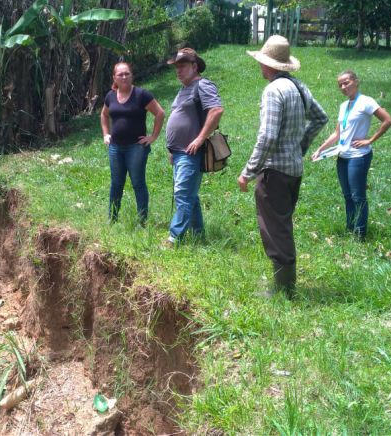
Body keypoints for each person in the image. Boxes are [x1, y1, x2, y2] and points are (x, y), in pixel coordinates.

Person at [237, 35, 329, 299]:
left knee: (275, 229)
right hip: (293, 170)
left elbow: (267, 136)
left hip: (274, 171)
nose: (259, 66)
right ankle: (284, 285)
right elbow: (321, 118)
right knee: (282, 223)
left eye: (261, 62)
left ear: (269, 65)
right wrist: (300, 147)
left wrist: (248, 172)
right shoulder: (299, 87)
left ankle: (284, 291)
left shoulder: (273, 91)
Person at [311, 70, 391, 239]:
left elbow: (388, 120)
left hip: (359, 157)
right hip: (342, 156)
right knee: (347, 195)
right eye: (340, 85)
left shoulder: (366, 102)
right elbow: (337, 134)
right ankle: (351, 228)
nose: (343, 87)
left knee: (358, 196)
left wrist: (370, 140)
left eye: (346, 82)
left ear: (356, 81)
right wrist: (320, 149)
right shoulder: (343, 106)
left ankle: (360, 234)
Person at [163, 48, 224, 246]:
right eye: (177, 67)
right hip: (179, 152)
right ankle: (198, 236)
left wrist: (199, 139)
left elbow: (216, 110)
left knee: (182, 193)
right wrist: (172, 150)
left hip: (191, 152)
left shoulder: (202, 85)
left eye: (183, 66)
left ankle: (174, 238)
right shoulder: (183, 89)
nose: (178, 70)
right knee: (190, 195)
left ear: (194, 66)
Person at [100, 62, 165, 223]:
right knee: (116, 183)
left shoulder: (141, 95)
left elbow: (160, 113)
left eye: (127, 73)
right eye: (120, 74)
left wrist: (153, 136)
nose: (123, 77)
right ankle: (112, 219)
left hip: (136, 148)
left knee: (138, 183)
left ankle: (142, 221)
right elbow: (103, 115)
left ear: (131, 75)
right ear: (114, 77)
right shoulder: (110, 96)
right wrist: (106, 134)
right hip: (115, 147)